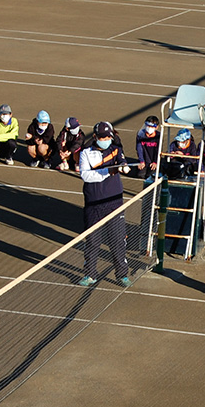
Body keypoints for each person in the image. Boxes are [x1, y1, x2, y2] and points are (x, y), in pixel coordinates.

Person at [78, 121, 132, 288]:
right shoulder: (85, 153)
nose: (106, 139)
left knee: (117, 240)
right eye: (102, 137)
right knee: (93, 241)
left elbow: (122, 161)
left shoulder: (116, 149)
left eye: (108, 136)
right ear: (95, 137)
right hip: (94, 204)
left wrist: (123, 167)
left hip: (114, 203)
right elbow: (86, 176)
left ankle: (122, 274)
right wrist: (108, 171)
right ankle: (90, 274)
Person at [135, 116, 160, 183]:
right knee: (140, 175)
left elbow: (158, 150)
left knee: (151, 176)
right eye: (148, 125)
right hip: (144, 161)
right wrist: (141, 161)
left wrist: (155, 162)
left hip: (153, 161)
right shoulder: (140, 134)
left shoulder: (158, 136)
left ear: (156, 127)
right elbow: (139, 148)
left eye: (152, 126)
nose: (149, 128)